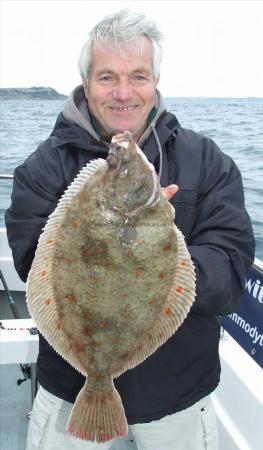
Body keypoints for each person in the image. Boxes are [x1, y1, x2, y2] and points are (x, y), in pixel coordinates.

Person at [5, 9, 255, 450]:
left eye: (138, 76)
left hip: (178, 395)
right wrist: (126, 239)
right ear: (86, 83)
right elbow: (32, 264)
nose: (123, 93)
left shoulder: (208, 160)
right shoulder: (42, 169)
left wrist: (162, 249)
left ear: (155, 81)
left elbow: (231, 270)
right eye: (107, 77)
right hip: (71, 392)